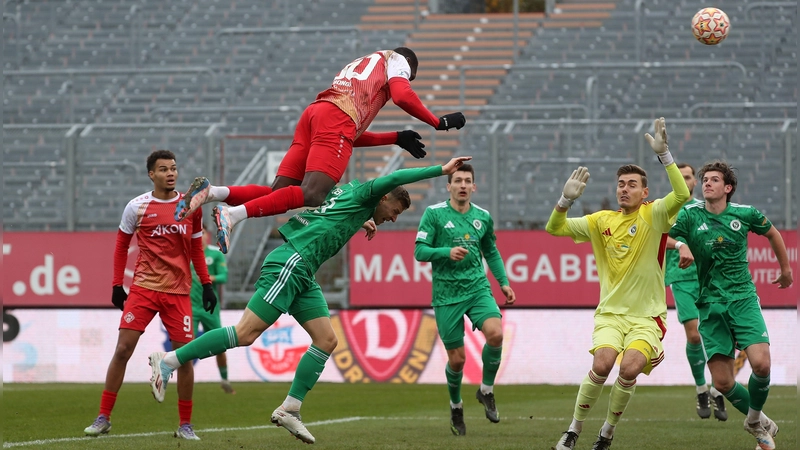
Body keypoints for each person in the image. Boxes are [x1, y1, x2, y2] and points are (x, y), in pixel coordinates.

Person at [148, 156, 473, 444]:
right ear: (385, 197)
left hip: (305, 272)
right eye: (395, 211)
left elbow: (330, 210)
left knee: (327, 339)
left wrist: (361, 218)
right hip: (292, 261)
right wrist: (440, 169)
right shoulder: (369, 191)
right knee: (245, 333)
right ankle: (169, 361)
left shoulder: (353, 195)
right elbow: (396, 176)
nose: (394, 218)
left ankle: (290, 408)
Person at [173, 47, 467, 254]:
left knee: (279, 193)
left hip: (316, 115)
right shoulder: (397, 60)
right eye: (409, 75)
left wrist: (396, 137)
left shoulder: (363, 67)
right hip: (335, 119)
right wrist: (437, 122)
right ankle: (233, 215)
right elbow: (402, 95)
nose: (402, 80)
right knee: (314, 194)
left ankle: (212, 193)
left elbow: (347, 135)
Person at [546, 118, 690, 450]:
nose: (624, 189)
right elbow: (555, 228)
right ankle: (573, 429)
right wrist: (564, 201)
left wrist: (665, 156)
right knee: (602, 364)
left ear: (645, 192)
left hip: (647, 317)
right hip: (611, 313)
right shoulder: (601, 221)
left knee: (629, 369)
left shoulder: (654, 215)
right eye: (620, 184)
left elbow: (682, 193)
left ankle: (607, 432)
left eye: (632, 184)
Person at [83, 150, 217, 441]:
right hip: (144, 289)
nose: (171, 173)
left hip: (179, 291)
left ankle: (185, 425)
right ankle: (103, 417)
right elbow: (121, 246)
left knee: (185, 357)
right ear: (151, 174)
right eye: (164, 169)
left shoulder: (190, 206)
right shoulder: (137, 206)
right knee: (123, 350)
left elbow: (196, 248)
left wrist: (206, 284)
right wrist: (117, 285)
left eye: (174, 168)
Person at [669, 160, 792, 450]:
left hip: (742, 298)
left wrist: (786, 269)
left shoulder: (745, 213)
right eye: (705, 179)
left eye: (714, 179)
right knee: (723, 383)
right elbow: (667, 237)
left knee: (761, 364)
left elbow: (773, 233)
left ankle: (753, 420)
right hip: (710, 304)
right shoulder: (690, 214)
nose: (707, 183)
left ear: (728, 188)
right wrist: (682, 245)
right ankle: (758, 420)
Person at [413, 163, 515, 436]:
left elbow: (491, 252)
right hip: (446, 295)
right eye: (457, 180)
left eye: (467, 181)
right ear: (448, 186)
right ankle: (456, 406)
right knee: (457, 361)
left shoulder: (483, 216)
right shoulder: (434, 214)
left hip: (477, 288)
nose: (462, 185)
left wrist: (503, 283)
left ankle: (486, 390)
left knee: (496, 334)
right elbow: (420, 251)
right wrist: (446, 252)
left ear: (474, 187)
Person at [663, 163, 727, 420]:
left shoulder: (705, 208)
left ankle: (718, 388)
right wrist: (680, 244)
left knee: (717, 334)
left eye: (688, 176)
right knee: (694, 335)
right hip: (681, 277)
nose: (685, 181)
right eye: (680, 177)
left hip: (709, 278)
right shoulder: (665, 209)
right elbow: (657, 238)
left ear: (694, 181)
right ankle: (701, 388)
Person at [190, 227, 234, 394]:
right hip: (191, 307)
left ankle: (225, 380)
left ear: (207, 235)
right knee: (187, 344)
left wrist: (210, 278)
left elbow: (224, 276)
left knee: (219, 345)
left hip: (210, 308)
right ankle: (186, 381)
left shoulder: (215, 254)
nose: (200, 236)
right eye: (197, 233)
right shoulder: (187, 253)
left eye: (203, 233)